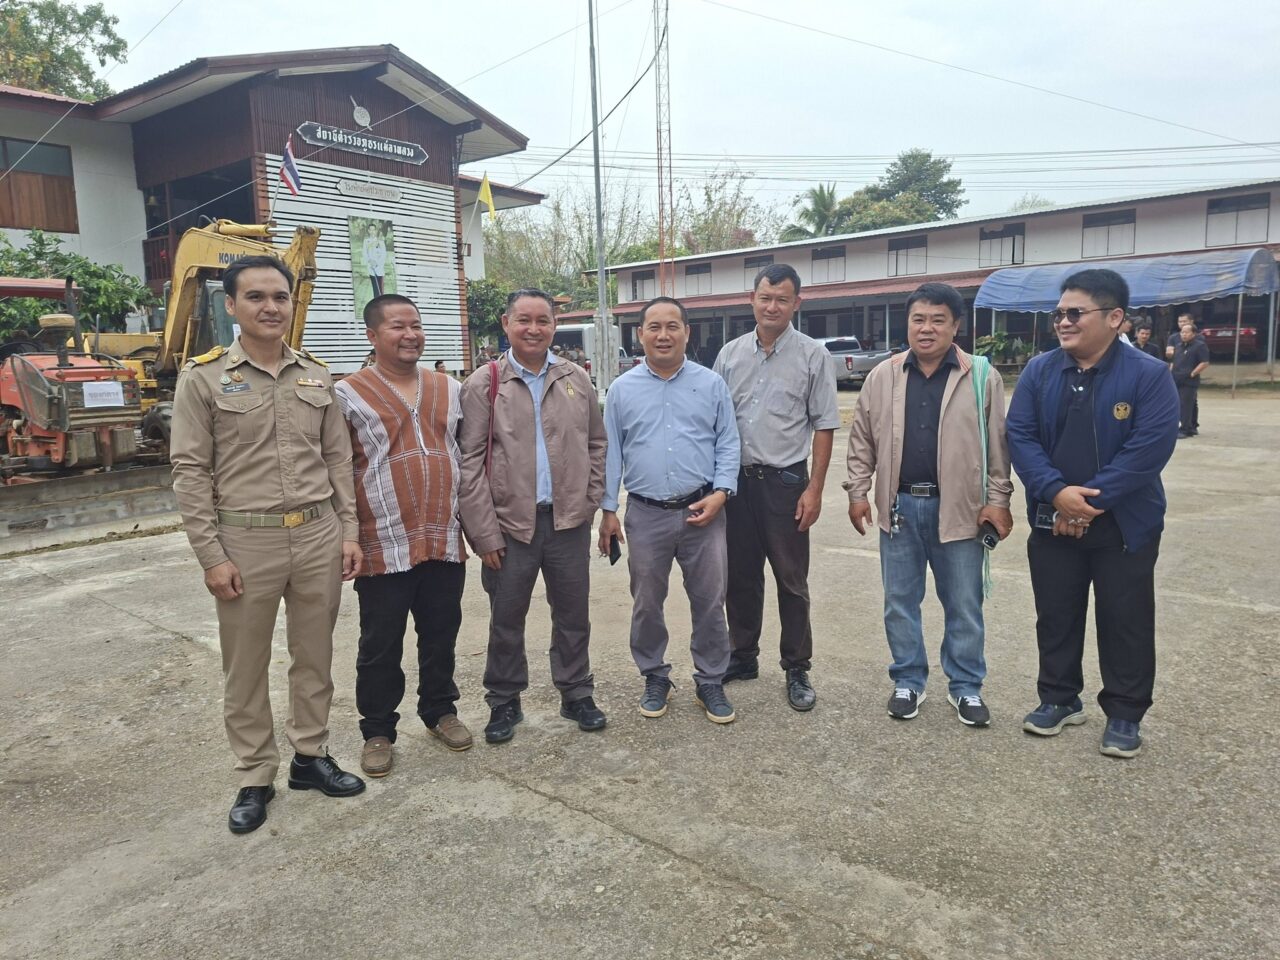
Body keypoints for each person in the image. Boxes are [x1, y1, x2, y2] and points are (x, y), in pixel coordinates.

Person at [169, 255, 365, 835]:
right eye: (256, 297)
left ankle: (310, 756)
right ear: (232, 305)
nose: (271, 307)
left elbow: (338, 460)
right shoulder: (203, 378)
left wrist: (349, 532)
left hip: (317, 534)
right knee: (246, 664)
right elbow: (189, 471)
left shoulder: (316, 375)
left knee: (315, 655)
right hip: (245, 540)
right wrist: (211, 555)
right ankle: (255, 774)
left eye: (279, 296)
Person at [1006, 268, 1179, 759]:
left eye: (1075, 313)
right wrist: (1056, 492)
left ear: (1115, 317)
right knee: (1055, 614)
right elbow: (1020, 436)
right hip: (1052, 520)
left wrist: (1087, 505)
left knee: (1125, 618)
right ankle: (1058, 698)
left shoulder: (1148, 375)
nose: (1064, 322)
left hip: (1125, 525)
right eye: (1059, 313)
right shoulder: (1040, 372)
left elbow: (1148, 451)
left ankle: (1125, 713)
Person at [845, 283, 1014, 725]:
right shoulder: (884, 375)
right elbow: (862, 439)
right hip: (900, 508)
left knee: (964, 603)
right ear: (908, 324)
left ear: (956, 326)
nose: (926, 328)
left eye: (938, 320)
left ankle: (966, 687)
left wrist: (998, 500)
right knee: (900, 602)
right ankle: (908, 680)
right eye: (918, 319)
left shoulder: (981, 376)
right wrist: (858, 492)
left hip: (960, 510)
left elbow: (998, 447)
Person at [458, 288, 608, 744]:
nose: (534, 329)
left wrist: (589, 499)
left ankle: (576, 692)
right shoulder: (485, 383)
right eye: (524, 320)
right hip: (509, 526)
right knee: (506, 617)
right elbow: (470, 463)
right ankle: (504, 699)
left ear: (554, 326)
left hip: (568, 523)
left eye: (543, 320)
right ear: (506, 324)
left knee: (573, 614)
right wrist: (484, 533)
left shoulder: (575, 379)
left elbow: (596, 443)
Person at [334, 295, 472, 779]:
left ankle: (440, 710)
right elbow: (337, 466)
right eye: (398, 326)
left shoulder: (449, 388)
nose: (411, 334)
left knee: (441, 633)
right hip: (383, 539)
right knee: (380, 642)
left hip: (443, 535)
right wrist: (347, 534)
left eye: (416, 325)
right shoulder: (347, 394)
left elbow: (466, 452)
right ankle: (377, 730)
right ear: (372, 336)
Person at [598, 297, 741, 724]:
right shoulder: (621, 390)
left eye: (672, 326)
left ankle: (710, 679)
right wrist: (608, 509)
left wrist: (722, 492)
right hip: (645, 514)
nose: (663, 335)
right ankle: (654, 675)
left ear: (686, 332)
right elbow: (611, 453)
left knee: (710, 601)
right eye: (654, 327)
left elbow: (728, 442)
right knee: (646, 602)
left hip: (704, 510)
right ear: (640, 334)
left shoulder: (711, 384)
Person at [713, 264, 839, 711]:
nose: (772, 307)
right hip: (736, 484)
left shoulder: (812, 356)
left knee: (791, 579)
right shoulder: (729, 355)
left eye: (782, 299)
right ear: (752, 299)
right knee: (739, 577)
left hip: (786, 484)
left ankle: (797, 666)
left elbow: (824, 425)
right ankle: (743, 655)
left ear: (796, 304)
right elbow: (714, 421)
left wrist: (815, 489)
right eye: (765, 297)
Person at [1170, 322, 1210, 438]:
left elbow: (1204, 362)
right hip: (1176, 378)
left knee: (1186, 404)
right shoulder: (1178, 346)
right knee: (1184, 404)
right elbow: (1174, 362)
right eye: (1182, 332)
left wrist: (1193, 373)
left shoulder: (1199, 346)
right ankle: (1191, 427)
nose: (1184, 334)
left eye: (1187, 332)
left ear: (1194, 334)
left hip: (1189, 380)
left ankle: (1184, 429)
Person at [362, 225, 387, 299]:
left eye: (374, 230)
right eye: (371, 230)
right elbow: (364, 253)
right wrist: (370, 261)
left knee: (381, 289)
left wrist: (377, 263)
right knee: (375, 288)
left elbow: (383, 254)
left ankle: (382, 301)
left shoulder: (380, 241)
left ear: (376, 231)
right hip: (371, 268)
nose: (372, 232)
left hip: (379, 268)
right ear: (368, 231)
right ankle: (376, 302)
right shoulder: (366, 241)